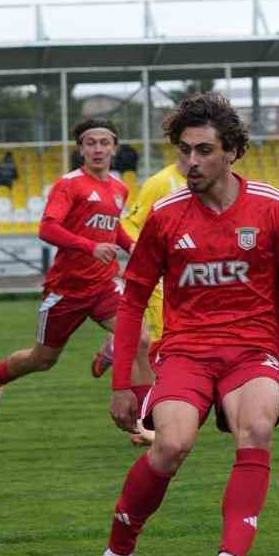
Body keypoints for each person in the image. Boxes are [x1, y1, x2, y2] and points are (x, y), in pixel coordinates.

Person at [85, 92, 279, 556]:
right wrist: (123, 384)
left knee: (256, 427)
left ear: (231, 151)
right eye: (185, 150)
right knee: (170, 446)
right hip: (186, 350)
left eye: (204, 150)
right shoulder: (166, 217)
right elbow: (132, 302)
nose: (192, 162)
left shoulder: (275, 209)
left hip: (254, 350)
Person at [0, 119, 133, 414]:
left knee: (138, 339)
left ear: (114, 147)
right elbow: (47, 229)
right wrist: (91, 247)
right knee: (43, 360)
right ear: (81, 149)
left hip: (104, 285)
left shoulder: (119, 188)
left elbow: (113, 227)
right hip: (67, 290)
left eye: (104, 142)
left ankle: (139, 418)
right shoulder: (69, 185)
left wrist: (131, 246)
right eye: (91, 143)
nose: (98, 149)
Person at [89, 157, 188, 441]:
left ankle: (115, 344)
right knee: (153, 346)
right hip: (157, 277)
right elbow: (131, 225)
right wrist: (144, 255)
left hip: (183, 280)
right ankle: (147, 423)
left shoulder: (208, 186)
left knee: (166, 345)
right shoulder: (161, 183)